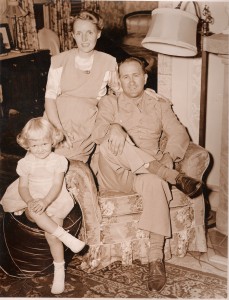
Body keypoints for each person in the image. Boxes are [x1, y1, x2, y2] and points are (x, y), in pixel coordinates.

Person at [91, 57, 203, 292]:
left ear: (145, 78)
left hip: (145, 174)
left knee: (154, 183)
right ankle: (172, 176)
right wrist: (115, 127)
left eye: (135, 76)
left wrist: (169, 156)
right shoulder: (109, 103)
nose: (131, 81)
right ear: (119, 81)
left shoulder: (159, 104)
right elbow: (98, 132)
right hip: (115, 172)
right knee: (108, 143)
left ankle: (155, 260)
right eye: (125, 76)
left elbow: (179, 134)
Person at [0, 117, 89, 295]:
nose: (39, 149)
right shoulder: (25, 163)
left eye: (44, 144)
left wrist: (46, 201)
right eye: (34, 145)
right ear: (27, 145)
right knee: (34, 212)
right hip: (32, 197)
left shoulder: (58, 161)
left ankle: (59, 271)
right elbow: (23, 187)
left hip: (54, 198)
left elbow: (57, 185)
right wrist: (31, 201)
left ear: (53, 141)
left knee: (52, 235)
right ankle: (67, 238)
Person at [44, 10, 119, 170]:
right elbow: (50, 98)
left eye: (89, 32)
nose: (84, 39)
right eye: (79, 33)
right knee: (39, 165)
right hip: (55, 120)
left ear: (98, 34)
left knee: (70, 169)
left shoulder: (109, 62)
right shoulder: (59, 60)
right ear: (73, 35)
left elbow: (119, 92)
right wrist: (58, 129)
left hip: (85, 124)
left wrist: (143, 91)